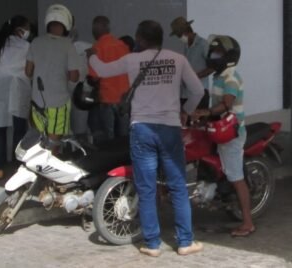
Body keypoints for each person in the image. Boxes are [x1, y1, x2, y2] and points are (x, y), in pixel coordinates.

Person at [88, 20, 205, 257]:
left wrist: (91, 55)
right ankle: (185, 242)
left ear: (140, 39)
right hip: (170, 129)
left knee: (146, 188)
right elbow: (198, 91)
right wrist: (186, 111)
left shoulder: (132, 60)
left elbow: (101, 70)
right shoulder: (178, 59)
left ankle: (152, 244)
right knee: (178, 186)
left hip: (142, 129)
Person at [190, 35, 254, 237]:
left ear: (229, 57)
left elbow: (226, 103)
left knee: (236, 177)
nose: (213, 55)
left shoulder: (231, 77)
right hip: (219, 129)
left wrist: (206, 112)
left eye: (218, 53)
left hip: (231, 133)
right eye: (213, 52)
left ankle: (247, 223)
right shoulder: (218, 75)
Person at [0, 15, 33, 179]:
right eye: (27, 28)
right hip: (19, 87)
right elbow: (30, 70)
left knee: (0, 128)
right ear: (21, 30)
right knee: (19, 129)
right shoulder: (27, 46)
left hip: (1, 86)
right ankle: (18, 168)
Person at [25, 4, 81, 141]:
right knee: (53, 143)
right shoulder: (68, 45)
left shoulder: (36, 42)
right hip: (59, 102)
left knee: (38, 142)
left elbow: (28, 71)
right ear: (66, 25)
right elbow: (74, 77)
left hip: (37, 101)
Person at [86, 16, 131, 144]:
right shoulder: (123, 46)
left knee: (109, 140)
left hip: (107, 99)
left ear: (95, 30)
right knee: (124, 139)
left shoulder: (96, 48)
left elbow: (94, 78)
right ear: (108, 28)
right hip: (123, 99)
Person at [170, 17, 214, 106]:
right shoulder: (187, 46)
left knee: (198, 115)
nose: (179, 38)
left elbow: (212, 67)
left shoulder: (203, 44)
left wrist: (193, 77)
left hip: (200, 93)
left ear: (186, 32)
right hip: (185, 93)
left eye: (179, 35)